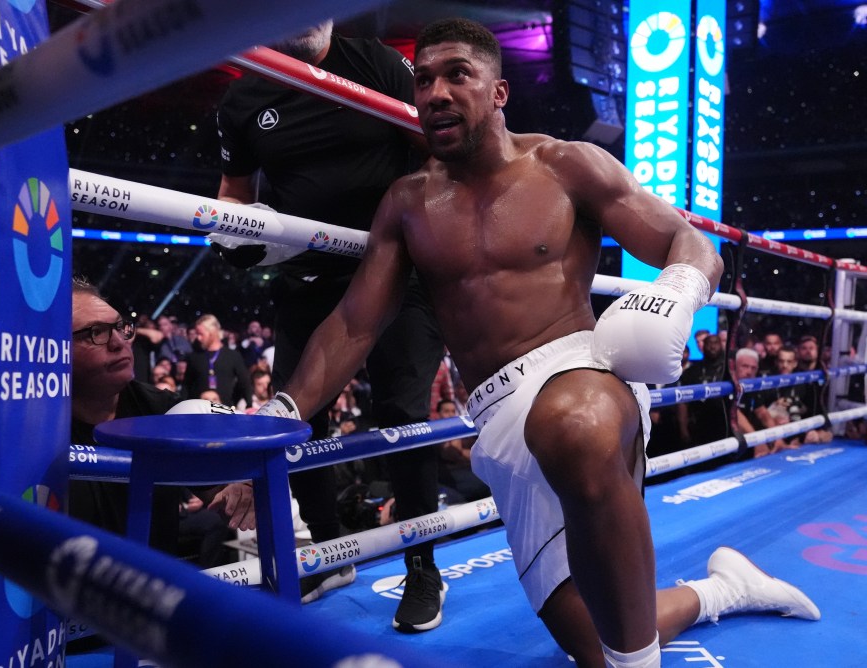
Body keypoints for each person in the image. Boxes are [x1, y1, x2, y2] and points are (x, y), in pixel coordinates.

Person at [254, 19, 820, 665]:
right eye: (423, 79)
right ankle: (725, 590)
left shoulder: (564, 164)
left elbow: (685, 241)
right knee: (598, 643)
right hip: (497, 415)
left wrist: (676, 294)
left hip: (581, 377)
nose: (435, 91)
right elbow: (355, 322)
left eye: (456, 74)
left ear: (498, 91)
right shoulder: (406, 203)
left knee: (575, 430)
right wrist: (282, 411)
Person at [214, 19, 446, 625]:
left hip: (398, 270)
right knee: (295, 417)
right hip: (308, 277)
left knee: (403, 412)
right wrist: (231, 227)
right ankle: (326, 549)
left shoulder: (375, 64)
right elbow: (232, 193)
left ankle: (423, 569)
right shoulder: (244, 96)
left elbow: (437, 159)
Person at [69, 278, 256, 553]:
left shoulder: (163, 411)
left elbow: (219, 490)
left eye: (120, 328)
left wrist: (237, 490)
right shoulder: (29, 427)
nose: (119, 342)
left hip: (154, 587)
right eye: (96, 332)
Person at [182, 314, 253, 407]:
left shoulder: (232, 355)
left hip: (225, 410)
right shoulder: (194, 357)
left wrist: (249, 405)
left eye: (201, 334)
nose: (198, 338)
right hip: (198, 411)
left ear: (212, 332)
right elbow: (186, 386)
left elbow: (245, 382)